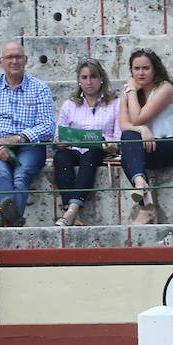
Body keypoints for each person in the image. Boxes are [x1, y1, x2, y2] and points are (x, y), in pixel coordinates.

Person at [0, 41, 55, 227]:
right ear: (1, 61)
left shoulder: (39, 88)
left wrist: (17, 139)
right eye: (9, 57)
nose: (14, 61)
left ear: (26, 60)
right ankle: (14, 221)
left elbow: (48, 127)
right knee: (1, 173)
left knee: (21, 175)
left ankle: (2, 222)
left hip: (29, 147)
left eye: (18, 57)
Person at [119, 48, 173, 226]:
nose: (140, 73)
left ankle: (144, 206)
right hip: (149, 144)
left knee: (128, 153)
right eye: (136, 69)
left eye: (145, 68)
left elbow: (136, 118)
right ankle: (142, 188)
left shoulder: (165, 89)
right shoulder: (128, 90)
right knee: (127, 139)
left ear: (155, 69)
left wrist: (132, 92)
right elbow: (124, 125)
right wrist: (142, 130)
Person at [52, 59, 121, 227]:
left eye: (93, 77)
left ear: (101, 79)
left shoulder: (115, 103)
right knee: (61, 158)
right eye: (84, 77)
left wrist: (110, 145)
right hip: (73, 149)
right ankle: (72, 214)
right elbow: (58, 136)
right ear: (79, 80)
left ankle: (72, 209)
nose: (89, 82)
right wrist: (61, 142)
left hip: (100, 149)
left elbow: (118, 136)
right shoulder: (70, 105)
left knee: (91, 154)